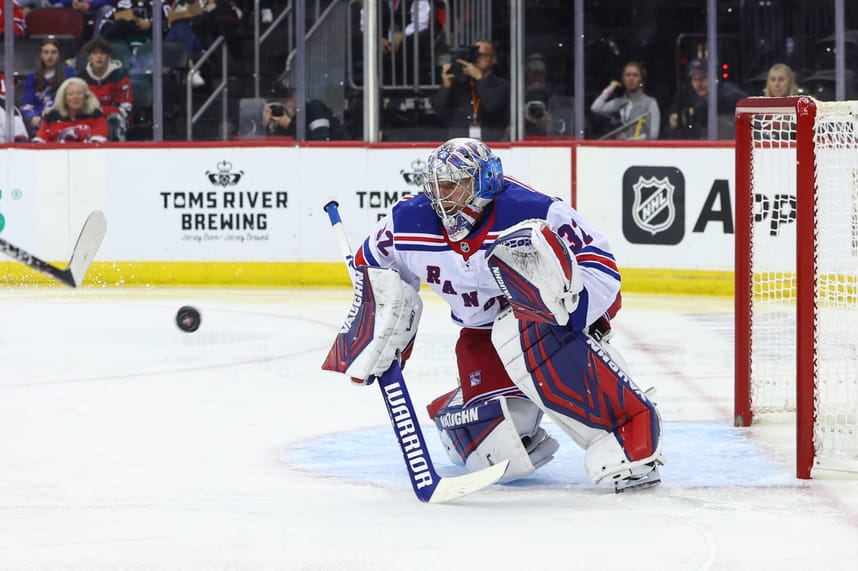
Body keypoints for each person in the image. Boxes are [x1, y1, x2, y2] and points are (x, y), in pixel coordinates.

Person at [323, 137, 664, 492]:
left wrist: (571, 310)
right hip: (479, 337)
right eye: (436, 186)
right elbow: (372, 271)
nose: (441, 197)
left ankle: (626, 420)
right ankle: (467, 405)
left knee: (518, 330)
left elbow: (603, 270)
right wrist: (375, 325)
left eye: (453, 186)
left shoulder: (534, 211)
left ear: (483, 182)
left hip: (548, 326)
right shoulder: (407, 221)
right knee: (501, 452)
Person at [431, 40, 510, 141]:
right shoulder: (459, 83)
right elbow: (441, 113)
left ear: (493, 59)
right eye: (475, 54)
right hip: (459, 144)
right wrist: (446, 87)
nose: (477, 58)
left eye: (482, 55)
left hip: (489, 144)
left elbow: (491, 106)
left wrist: (480, 79)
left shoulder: (501, 85)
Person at [668, 57, 747, 139]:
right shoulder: (692, 100)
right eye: (694, 79)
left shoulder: (731, 95)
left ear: (713, 77)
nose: (698, 84)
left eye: (702, 79)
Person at [20, 38, 77, 138]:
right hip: (38, 123)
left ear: (59, 54)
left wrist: (55, 110)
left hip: (62, 121)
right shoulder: (32, 77)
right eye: (45, 52)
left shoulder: (68, 73)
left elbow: (73, 100)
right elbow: (26, 104)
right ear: (41, 54)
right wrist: (32, 117)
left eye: (53, 52)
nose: (49, 56)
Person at [80, 37, 134, 141]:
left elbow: (126, 107)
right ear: (89, 57)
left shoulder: (120, 76)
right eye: (95, 53)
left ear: (109, 56)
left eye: (103, 53)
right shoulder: (81, 78)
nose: (99, 57)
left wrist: (102, 111)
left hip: (115, 120)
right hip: (89, 119)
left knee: (114, 120)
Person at [591, 61, 660, 140]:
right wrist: (611, 88)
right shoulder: (619, 102)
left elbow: (653, 135)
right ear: (623, 79)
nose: (631, 78)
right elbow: (595, 108)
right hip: (621, 150)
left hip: (641, 150)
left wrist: (627, 141)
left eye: (635, 75)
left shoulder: (650, 103)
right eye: (628, 75)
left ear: (641, 79)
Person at [33, 77, 108, 143]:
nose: (75, 97)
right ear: (64, 99)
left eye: (79, 93)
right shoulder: (51, 117)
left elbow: (98, 143)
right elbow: (40, 141)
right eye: (70, 94)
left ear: (85, 97)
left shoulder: (96, 116)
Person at [261, 85, 342, 140]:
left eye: (285, 102)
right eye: (278, 105)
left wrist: (289, 124)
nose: (284, 107)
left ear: (293, 98)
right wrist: (266, 125)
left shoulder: (313, 108)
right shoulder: (282, 120)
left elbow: (322, 141)